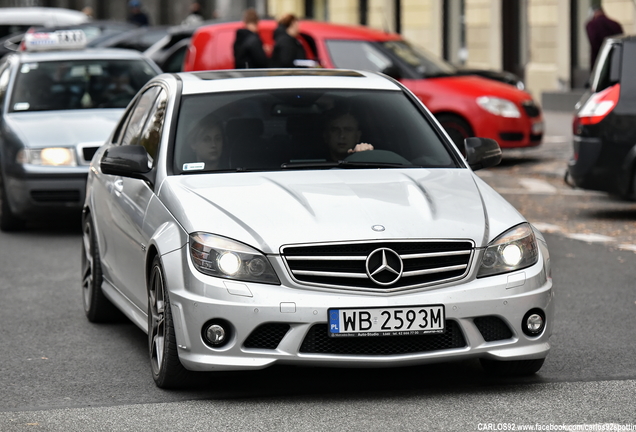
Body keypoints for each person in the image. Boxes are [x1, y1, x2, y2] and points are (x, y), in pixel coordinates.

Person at [586, 2, 623, 69]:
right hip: (615, 61)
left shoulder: (591, 25)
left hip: (598, 61)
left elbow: (593, 42)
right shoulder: (615, 24)